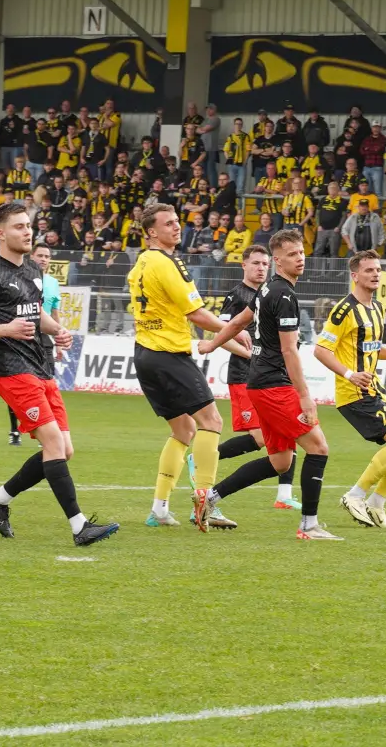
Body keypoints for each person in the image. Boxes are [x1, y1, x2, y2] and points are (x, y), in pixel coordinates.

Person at [0, 201, 118, 547]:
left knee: (64, 449)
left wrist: (57, 330)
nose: (27, 231)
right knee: (53, 443)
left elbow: (36, 315)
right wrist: (6, 329)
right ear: (0, 233)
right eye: (19, 226)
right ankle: (80, 527)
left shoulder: (34, 270)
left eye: (28, 225)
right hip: (11, 370)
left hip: (41, 367)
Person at [195, 229, 344, 541]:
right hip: (275, 386)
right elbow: (289, 351)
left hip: (259, 384)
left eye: (301, 253)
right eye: (292, 254)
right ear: (278, 260)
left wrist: (211, 343)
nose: (300, 259)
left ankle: (209, 498)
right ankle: (309, 526)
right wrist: (305, 396)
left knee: (280, 461)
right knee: (318, 448)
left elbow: (239, 322)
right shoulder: (285, 296)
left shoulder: (267, 290)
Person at [127, 202, 235, 531]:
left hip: (145, 353)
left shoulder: (141, 262)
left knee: (183, 430)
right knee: (211, 421)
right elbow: (196, 314)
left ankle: (159, 508)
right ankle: (205, 496)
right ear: (151, 232)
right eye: (169, 223)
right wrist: (232, 330)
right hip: (168, 354)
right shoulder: (167, 263)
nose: (177, 227)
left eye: (177, 221)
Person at [305, 251, 386, 530]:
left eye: (378, 269)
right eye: (369, 270)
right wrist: (349, 374)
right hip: (354, 394)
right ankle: (355, 495)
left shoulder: (377, 308)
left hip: (375, 390)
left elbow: (371, 348)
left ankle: (377, 503)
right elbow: (321, 350)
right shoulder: (344, 310)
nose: (375, 274)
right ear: (355, 276)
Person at [201, 244, 298, 512]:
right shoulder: (237, 295)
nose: (261, 268)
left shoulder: (269, 293)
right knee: (260, 438)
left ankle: (284, 494)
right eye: (255, 263)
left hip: (270, 375)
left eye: (265, 264)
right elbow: (223, 335)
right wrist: (251, 354)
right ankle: (204, 457)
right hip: (244, 375)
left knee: (287, 429)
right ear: (243, 265)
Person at [8, 244, 64, 446]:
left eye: (47, 256)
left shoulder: (53, 283)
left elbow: (54, 312)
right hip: (24, 337)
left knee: (47, 385)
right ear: (31, 257)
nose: (43, 259)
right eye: (40, 255)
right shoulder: (21, 278)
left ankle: (47, 432)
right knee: (19, 387)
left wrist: (59, 339)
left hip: (45, 339)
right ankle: (15, 430)